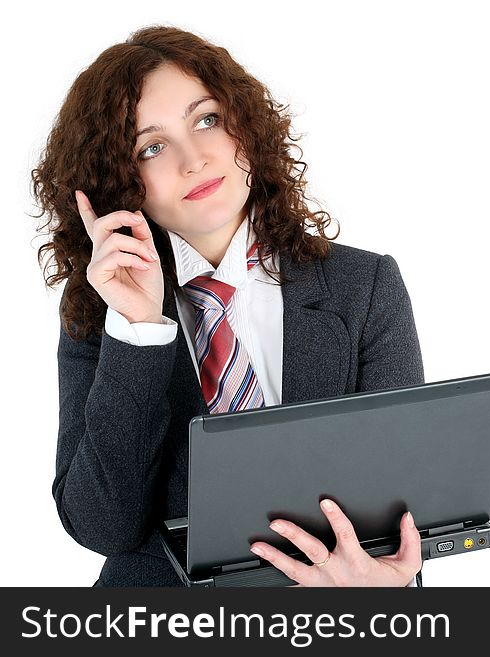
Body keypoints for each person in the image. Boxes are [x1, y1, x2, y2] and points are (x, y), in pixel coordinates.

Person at [31, 25, 425, 587]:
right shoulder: (102, 313)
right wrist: (139, 330)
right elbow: (103, 526)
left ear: (245, 127)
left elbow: (405, 512)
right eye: (152, 146)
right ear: (119, 182)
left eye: (206, 119)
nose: (194, 159)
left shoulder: (364, 287)